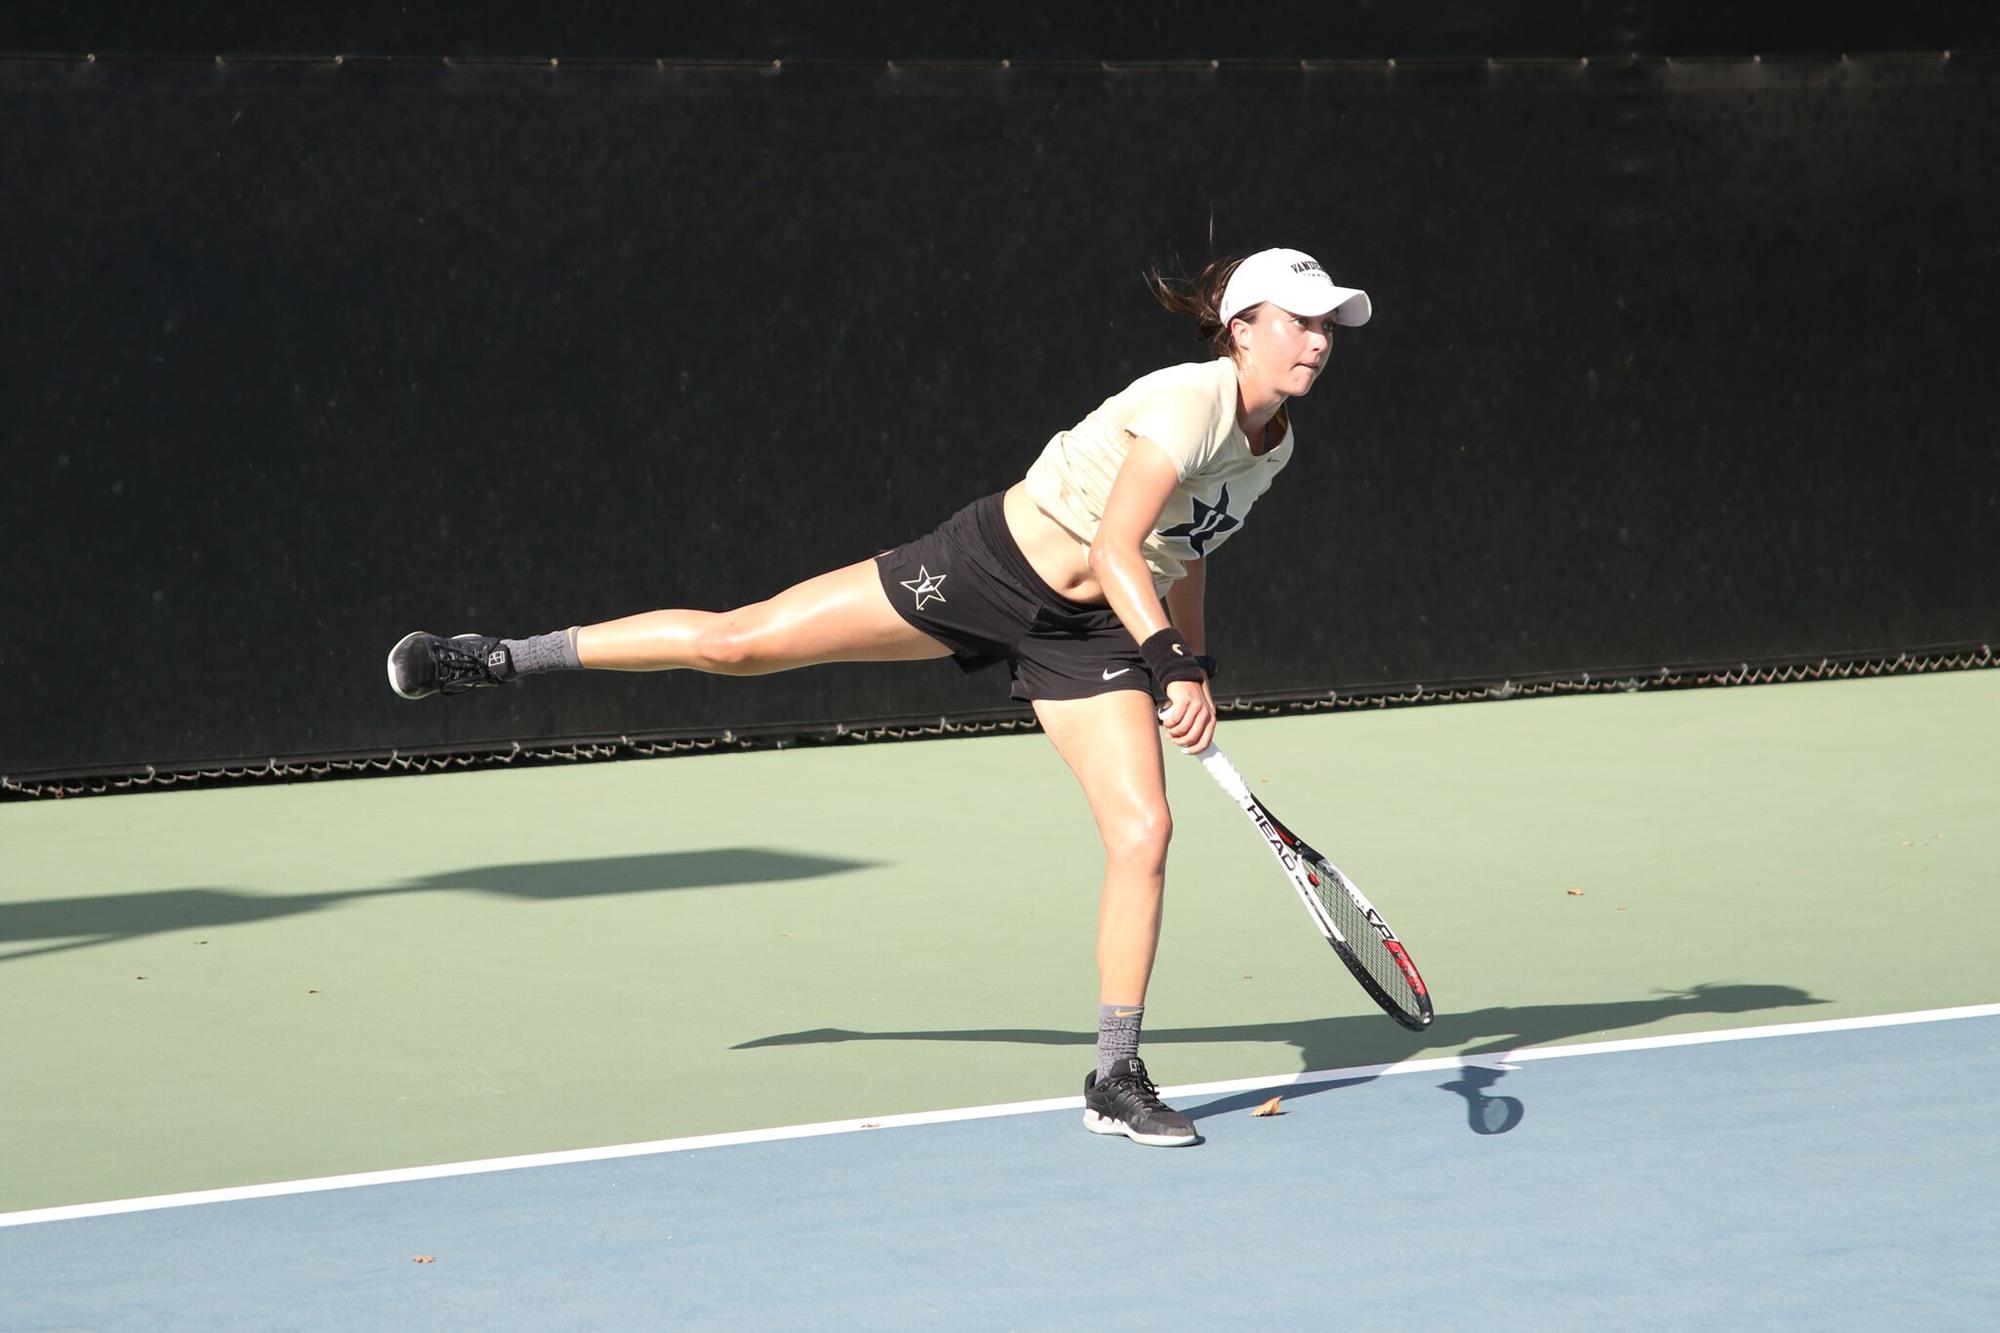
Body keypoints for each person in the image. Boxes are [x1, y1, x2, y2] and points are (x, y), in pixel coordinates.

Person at [386, 247, 1371, 1147]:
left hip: (1094, 635)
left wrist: (1189, 663)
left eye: (1328, 325)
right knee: (740, 642)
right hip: (988, 568)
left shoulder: (1272, 444)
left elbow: (1179, 553)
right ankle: (505, 658)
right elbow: (1115, 543)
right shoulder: (1190, 399)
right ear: (1242, 327)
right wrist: (1172, 659)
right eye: (1300, 320)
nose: (1319, 340)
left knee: (1141, 832)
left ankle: (1114, 1074)